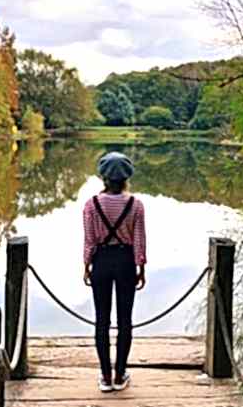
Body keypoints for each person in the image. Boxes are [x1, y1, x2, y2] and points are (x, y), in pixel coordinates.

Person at [83, 152, 147, 392]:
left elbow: (89, 240)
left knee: (101, 320)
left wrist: (87, 265)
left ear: (103, 177)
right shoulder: (136, 205)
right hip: (125, 261)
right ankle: (120, 375)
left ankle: (105, 377)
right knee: (125, 320)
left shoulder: (91, 204)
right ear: (127, 177)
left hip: (101, 261)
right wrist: (141, 266)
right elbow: (139, 240)